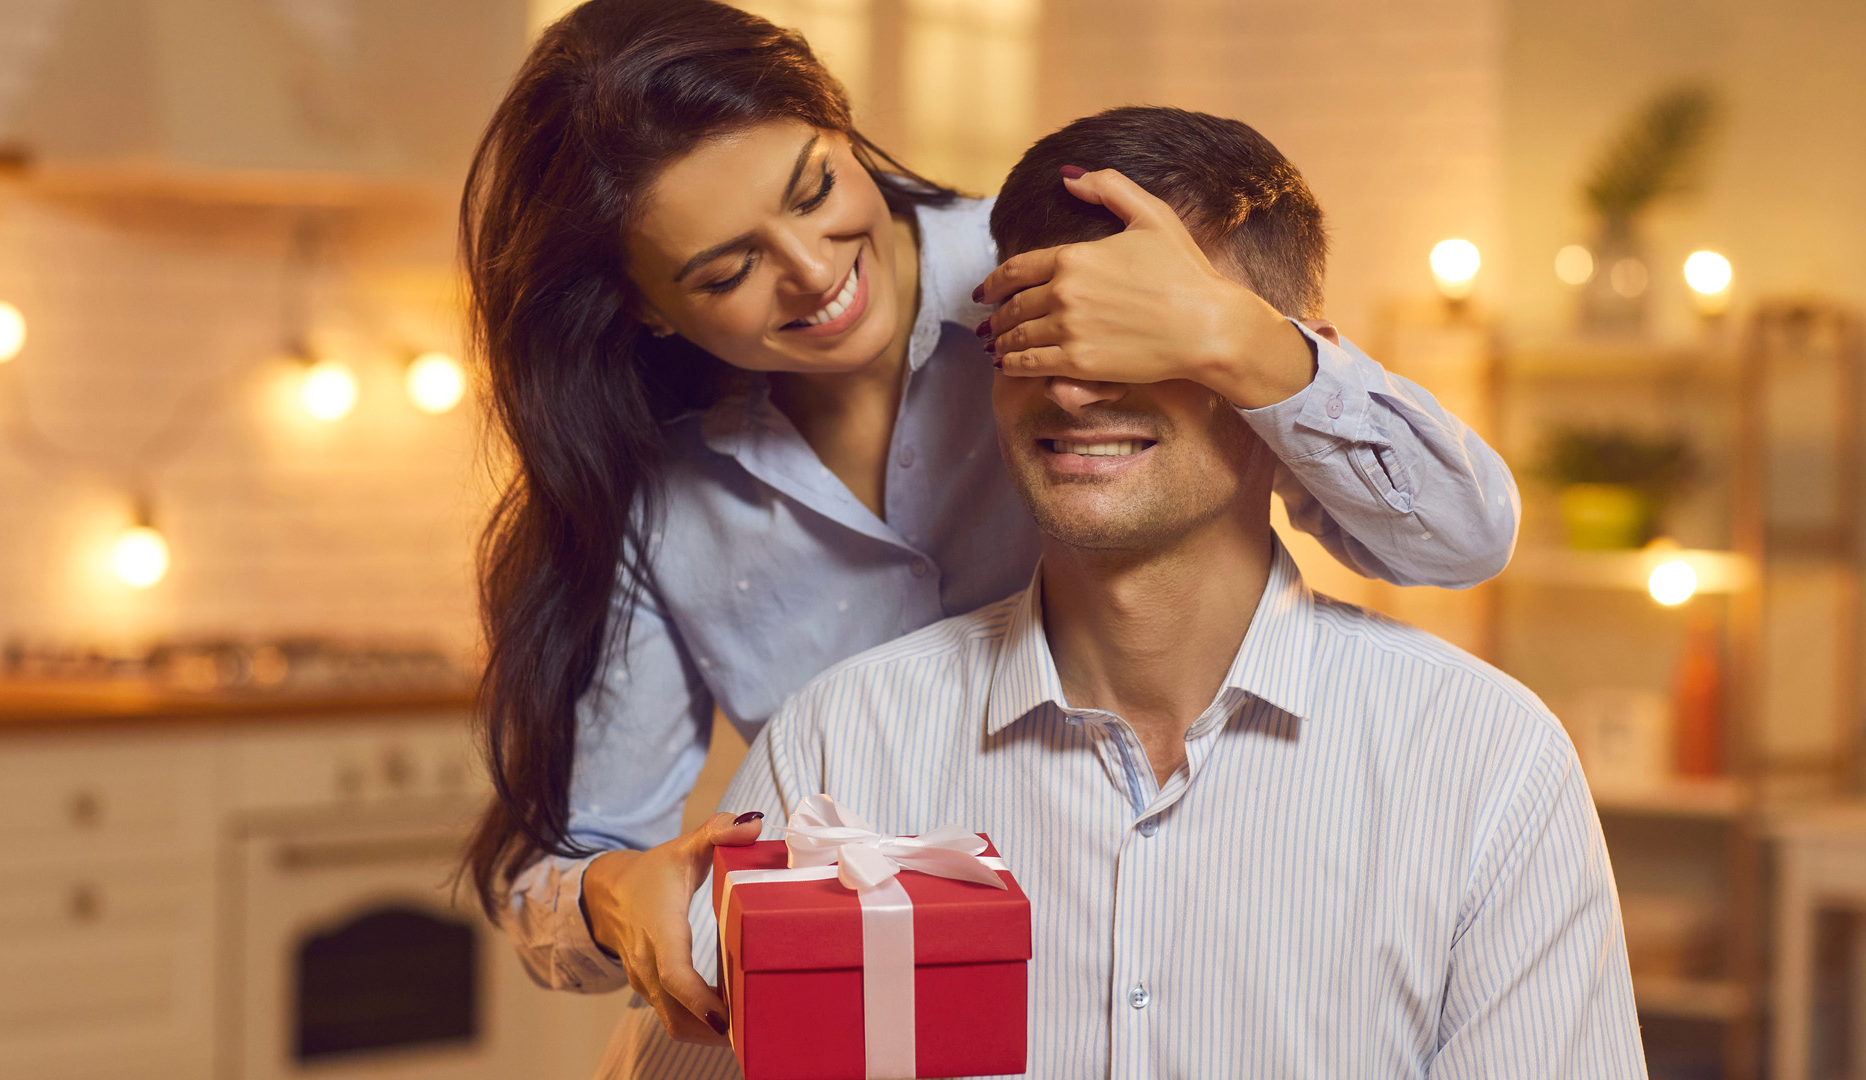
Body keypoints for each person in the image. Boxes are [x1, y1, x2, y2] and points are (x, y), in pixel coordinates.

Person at [460, 0, 1521, 1045]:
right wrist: (610, 898)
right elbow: (562, 869)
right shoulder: (658, 489)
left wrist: (1237, 337)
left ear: (837, 119)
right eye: (728, 270)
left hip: (1182, 952)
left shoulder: (1054, 258)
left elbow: (1454, 538)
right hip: (883, 1025)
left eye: (816, 187)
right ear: (645, 304)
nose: (816, 271)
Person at [591, 107, 1642, 1079]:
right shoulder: (839, 747)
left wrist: (1233, 333)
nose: (1074, 384)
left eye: (1141, 340)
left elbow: (1463, 526)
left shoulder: (1483, 766)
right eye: (1035, 332)